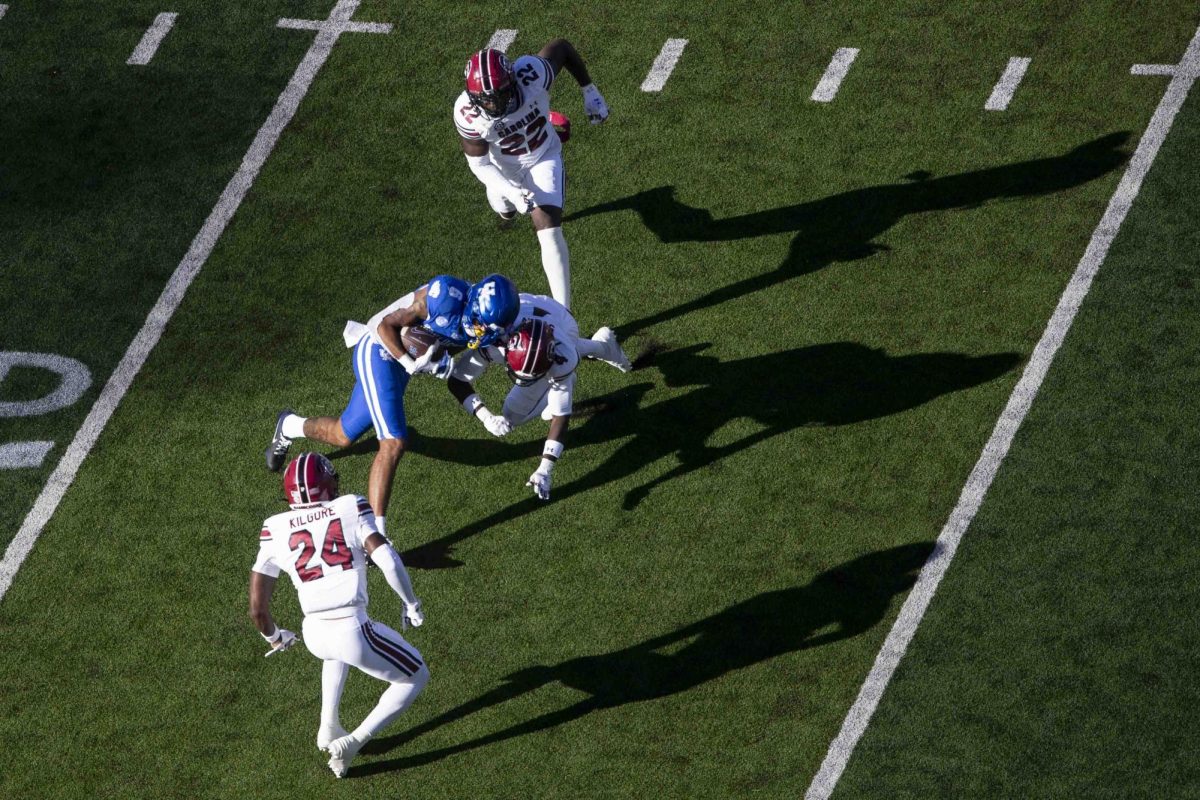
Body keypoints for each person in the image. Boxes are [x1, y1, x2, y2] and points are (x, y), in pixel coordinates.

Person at [249, 452, 427, 778]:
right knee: (416, 676)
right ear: (327, 484)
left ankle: (327, 725)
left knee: (335, 654)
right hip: (352, 630)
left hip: (314, 633)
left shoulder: (273, 528)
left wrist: (274, 636)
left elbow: (258, 610)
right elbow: (386, 558)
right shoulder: (349, 506)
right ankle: (354, 742)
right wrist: (410, 603)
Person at [264, 274, 477, 538]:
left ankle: (288, 424)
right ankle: (375, 536)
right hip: (379, 351)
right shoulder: (440, 298)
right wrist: (414, 364)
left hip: (400, 367)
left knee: (342, 435)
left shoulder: (486, 323)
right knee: (394, 442)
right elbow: (380, 326)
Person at [454, 41, 610, 308]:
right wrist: (512, 192)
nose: (494, 103)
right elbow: (479, 164)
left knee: (547, 226)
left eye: (499, 94)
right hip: (503, 169)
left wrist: (589, 90)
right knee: (505, 208)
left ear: (513, 79)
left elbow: (562, 48)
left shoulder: (532, 73)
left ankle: (564, 314)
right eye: (486, 99)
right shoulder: (468, 115)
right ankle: (506, 205)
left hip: (543, 155)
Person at [447, 292, 630, 500]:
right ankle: (602, 347)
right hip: (527, 313)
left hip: (560, 322)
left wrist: (545, 468)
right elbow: (456, 380)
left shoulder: (563, 356)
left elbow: (562, 415)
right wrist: (485, 416)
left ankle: (599, 351)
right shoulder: (494, 340)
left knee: (512, 412)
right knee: (539, 386)